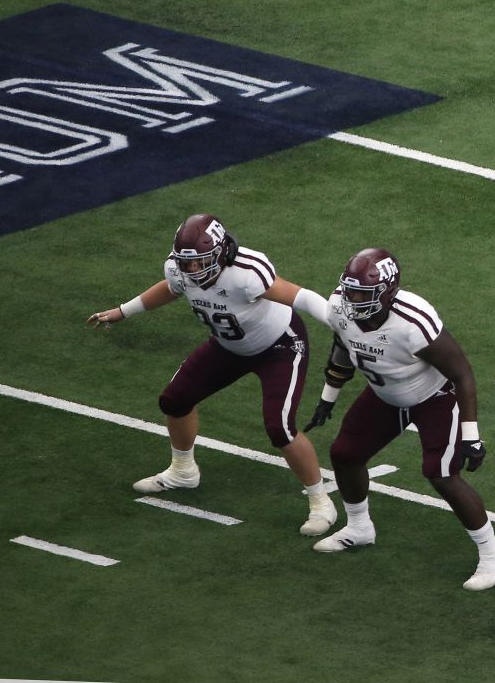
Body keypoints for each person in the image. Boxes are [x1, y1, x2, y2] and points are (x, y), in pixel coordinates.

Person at [87, 213, 337, 537]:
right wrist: (124, 310)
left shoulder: (246, 273)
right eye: (186, 263)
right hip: (228, 346)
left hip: (279, 346)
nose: (192, 270)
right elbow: (171, 288)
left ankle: (321, 502)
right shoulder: (180, 269)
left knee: (280, 429)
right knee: (174, 400)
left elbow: (300, 296)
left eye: (200, 261)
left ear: (222, 252)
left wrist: (336, 322)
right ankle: (183, 470)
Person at [299, 248, 495, 591]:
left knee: (441, 474)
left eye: (363, 294)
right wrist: (328, 396)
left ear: (388, 292)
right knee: (345, 454)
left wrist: (472, 435)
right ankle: (359, 527)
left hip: (433, 397)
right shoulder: (340, 306)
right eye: (350, 291)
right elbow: (343, 346)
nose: (352, 301)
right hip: (384, 395)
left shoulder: (413, 321)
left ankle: (493, 555)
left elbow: (462, 373)